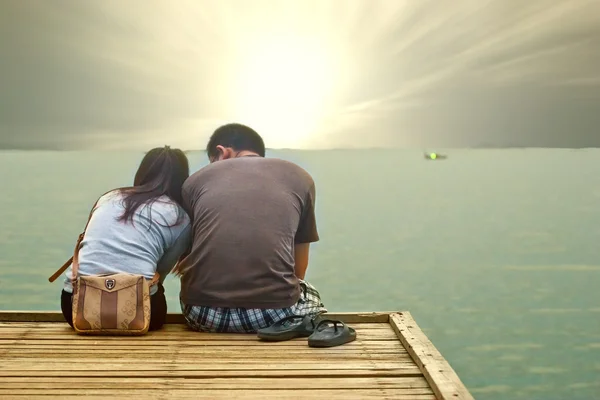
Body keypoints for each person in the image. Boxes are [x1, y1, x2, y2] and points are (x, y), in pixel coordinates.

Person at [176, 123, 327, 333]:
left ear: (222, 152)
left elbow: (185, 257)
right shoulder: (301, 178)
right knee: (310, 293)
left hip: (202, 315)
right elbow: (299, 270)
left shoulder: (194, 182)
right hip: (274, 316)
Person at [60, 146, 191, 331]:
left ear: (143, 172)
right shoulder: (180, 218)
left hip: (75, 306)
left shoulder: (109, 198)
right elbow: (158, 275)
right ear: (182, 179)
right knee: (154, 288)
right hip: (138, 313)